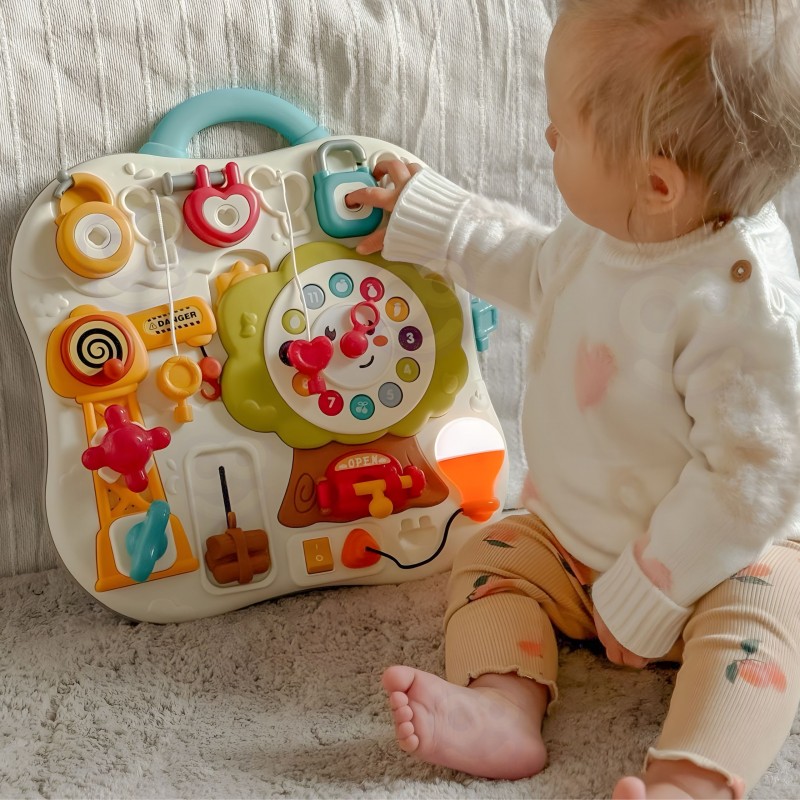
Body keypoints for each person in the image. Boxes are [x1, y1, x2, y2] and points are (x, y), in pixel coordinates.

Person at [345, 0, 800, 797]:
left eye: (563, 129)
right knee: (490, 555)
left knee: (760, 629)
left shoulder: (739, 306)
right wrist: (436, 219)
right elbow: (530, 265)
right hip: (572, 539)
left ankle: (692, 778)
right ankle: (503, 704)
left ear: (655, 183)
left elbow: (749, 482)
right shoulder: (611, 233)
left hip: (718, 559)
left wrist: (653, 588)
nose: (549, 138)